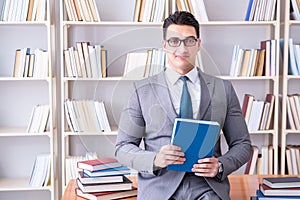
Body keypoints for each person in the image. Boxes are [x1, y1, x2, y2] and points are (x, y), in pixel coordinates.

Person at [115, 11, 252, 200]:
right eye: (174, 41)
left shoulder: (223, 89)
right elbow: (123, 146)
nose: (182, 48)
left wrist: (220, 165)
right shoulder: (141, 90)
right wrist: (155, 159)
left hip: (207, 188)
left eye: (189, 40)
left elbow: (242, 144)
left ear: (198, 44)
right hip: (159, 188)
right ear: (164, 45)